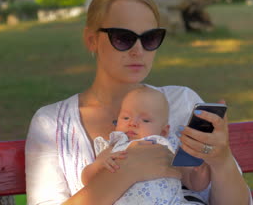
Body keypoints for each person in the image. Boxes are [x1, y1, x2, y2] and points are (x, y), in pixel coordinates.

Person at [25, 0, 252, 205]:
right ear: (92, 40)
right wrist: (126, 172)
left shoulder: (183, 103)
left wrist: (221, 161)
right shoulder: (51, 124)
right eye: (123, 38)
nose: (138, 51)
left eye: (150, 38)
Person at [81, 86, 210, 205]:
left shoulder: (167, 150)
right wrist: (99, 165)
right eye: (126, 118)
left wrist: (200, 171)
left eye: (145, 120)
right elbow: (87, 180)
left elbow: (194, 184)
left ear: (163, 131)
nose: (133, 123)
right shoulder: (113, 148)